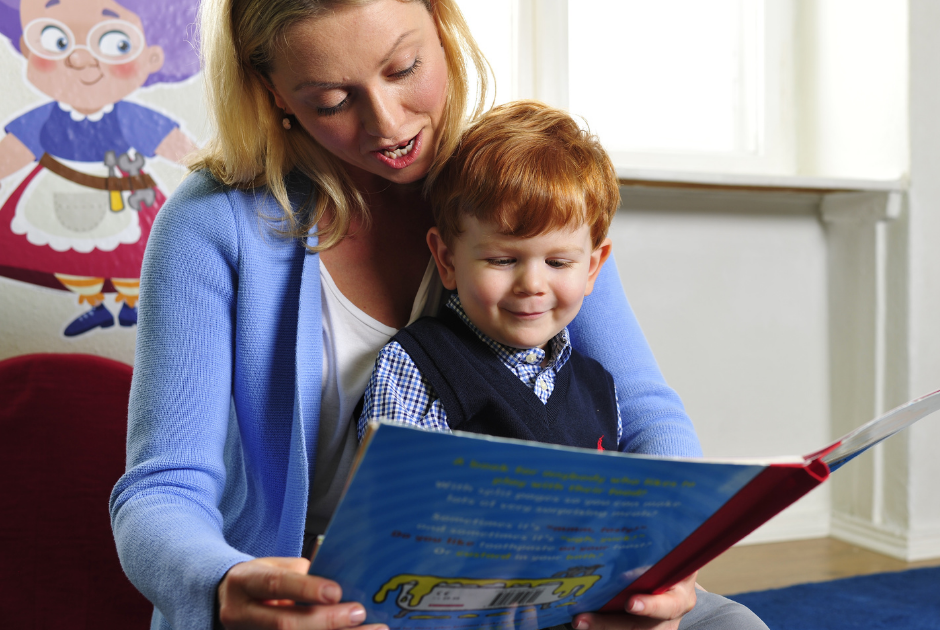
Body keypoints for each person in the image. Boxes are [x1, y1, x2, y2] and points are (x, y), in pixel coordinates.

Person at [109, 2, 763, 630]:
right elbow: (161, 491)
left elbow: (649, 420)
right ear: (274, 92)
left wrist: (667, 566)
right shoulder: (208, 225)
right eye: (331, 100)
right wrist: (225, 586)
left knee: (731, 624)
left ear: (441, 23)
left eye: (403, 69)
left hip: (543, 585)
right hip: (335, 604)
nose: (388, 123)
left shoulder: (514, 186)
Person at [356, 100, 622, 453]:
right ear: (447, 260)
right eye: (502, 260)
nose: (532, 285)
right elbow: (391, 497)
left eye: (557, 263)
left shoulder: (600, 389)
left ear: (591, 267)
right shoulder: (418, 367)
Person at [0, 0, 200, 336]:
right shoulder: (43, 120)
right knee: (63, 256)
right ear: (25, 47)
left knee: (136, 257)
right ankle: (93, 305)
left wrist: (228, 175)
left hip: (123, 195)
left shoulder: (132, 118)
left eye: (115, 43)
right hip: (53, 189)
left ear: (152, 57)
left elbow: (181, 150)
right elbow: (14, 151)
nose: (78, 59)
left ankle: (134, 304)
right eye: (54, 39)